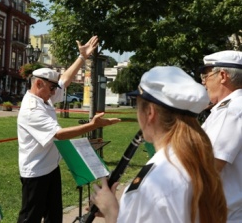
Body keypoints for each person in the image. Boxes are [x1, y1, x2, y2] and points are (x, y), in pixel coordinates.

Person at [90, 66, 227, 223]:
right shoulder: (193, 162)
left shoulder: (157, 184)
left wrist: (112, 213)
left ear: (150, 112)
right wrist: (126, 213)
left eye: (137, 105)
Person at [17, 35, 121, 223]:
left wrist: (82, 57)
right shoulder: (31, 108)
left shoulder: (44, 96)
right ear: (38, 84)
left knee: (54, 216)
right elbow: (59, 134)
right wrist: (93, 125)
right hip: (35, 171)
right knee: (30, 217)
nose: (55, 92)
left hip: (49, 167)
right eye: (51, 88)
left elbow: (65, 79)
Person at [200, 50, 242, 222]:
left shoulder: (231, 111)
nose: (204, 83)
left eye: (206, 76)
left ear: (223, 75)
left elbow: (209, 166)